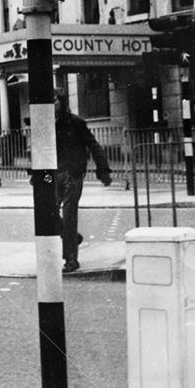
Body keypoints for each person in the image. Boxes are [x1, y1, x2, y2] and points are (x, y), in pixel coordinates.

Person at [55, 89, 112, 273]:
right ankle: (71, 236)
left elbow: (93, 145)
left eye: (55, 100)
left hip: (73, 173)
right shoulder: (46, 123)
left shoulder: (76, 123)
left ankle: (71, 259)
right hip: (54, 173)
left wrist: (103, 169)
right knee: (47, 212)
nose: (52, 104)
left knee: (69, 213)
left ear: (62, 102)